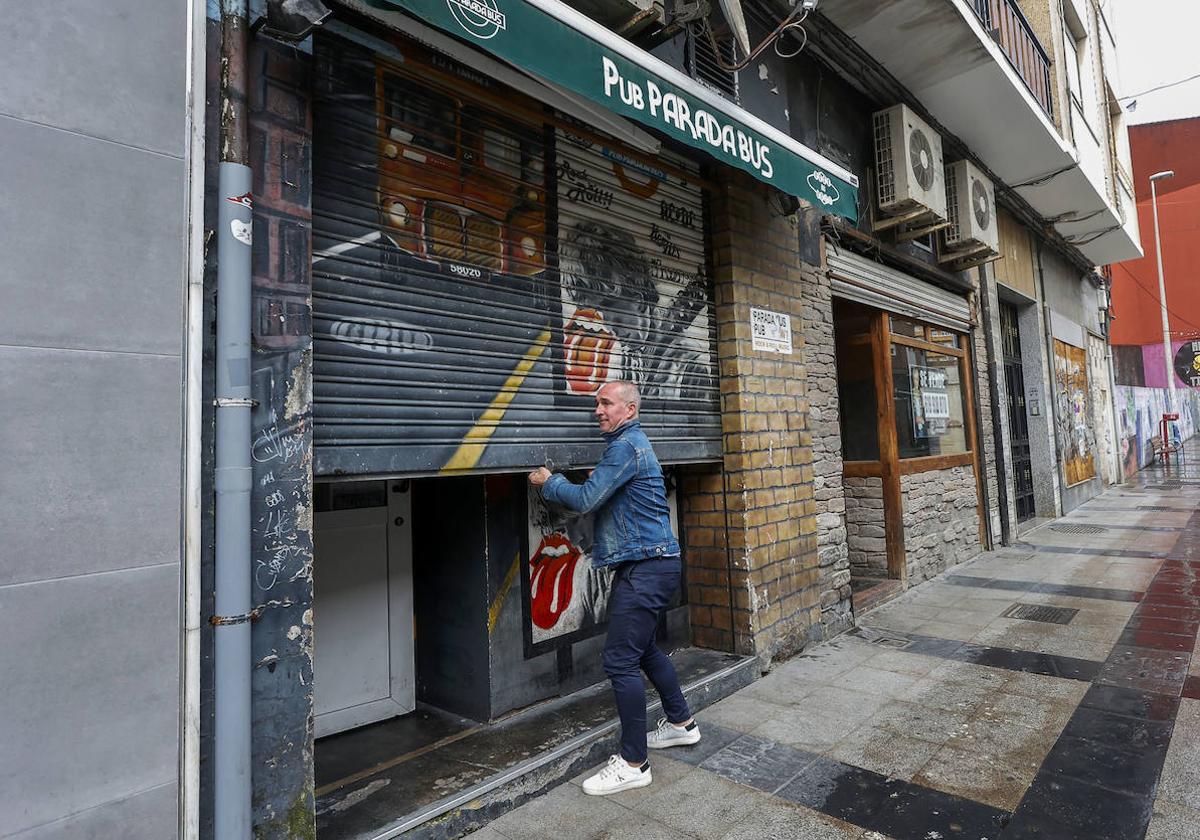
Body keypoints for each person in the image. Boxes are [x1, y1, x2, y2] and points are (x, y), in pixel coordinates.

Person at [528, 380, 701, 796]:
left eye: (606, 403)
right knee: (642, 650)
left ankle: (633, 762)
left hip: (647, 567)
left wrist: (548, 481)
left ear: (630, 408)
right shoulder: (629, 447)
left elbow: (586, 499)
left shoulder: (626, 446)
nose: (598, 410)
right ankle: (681, 723)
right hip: (650, 565)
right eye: (597, 404)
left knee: (620, 660)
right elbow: (610, 493)